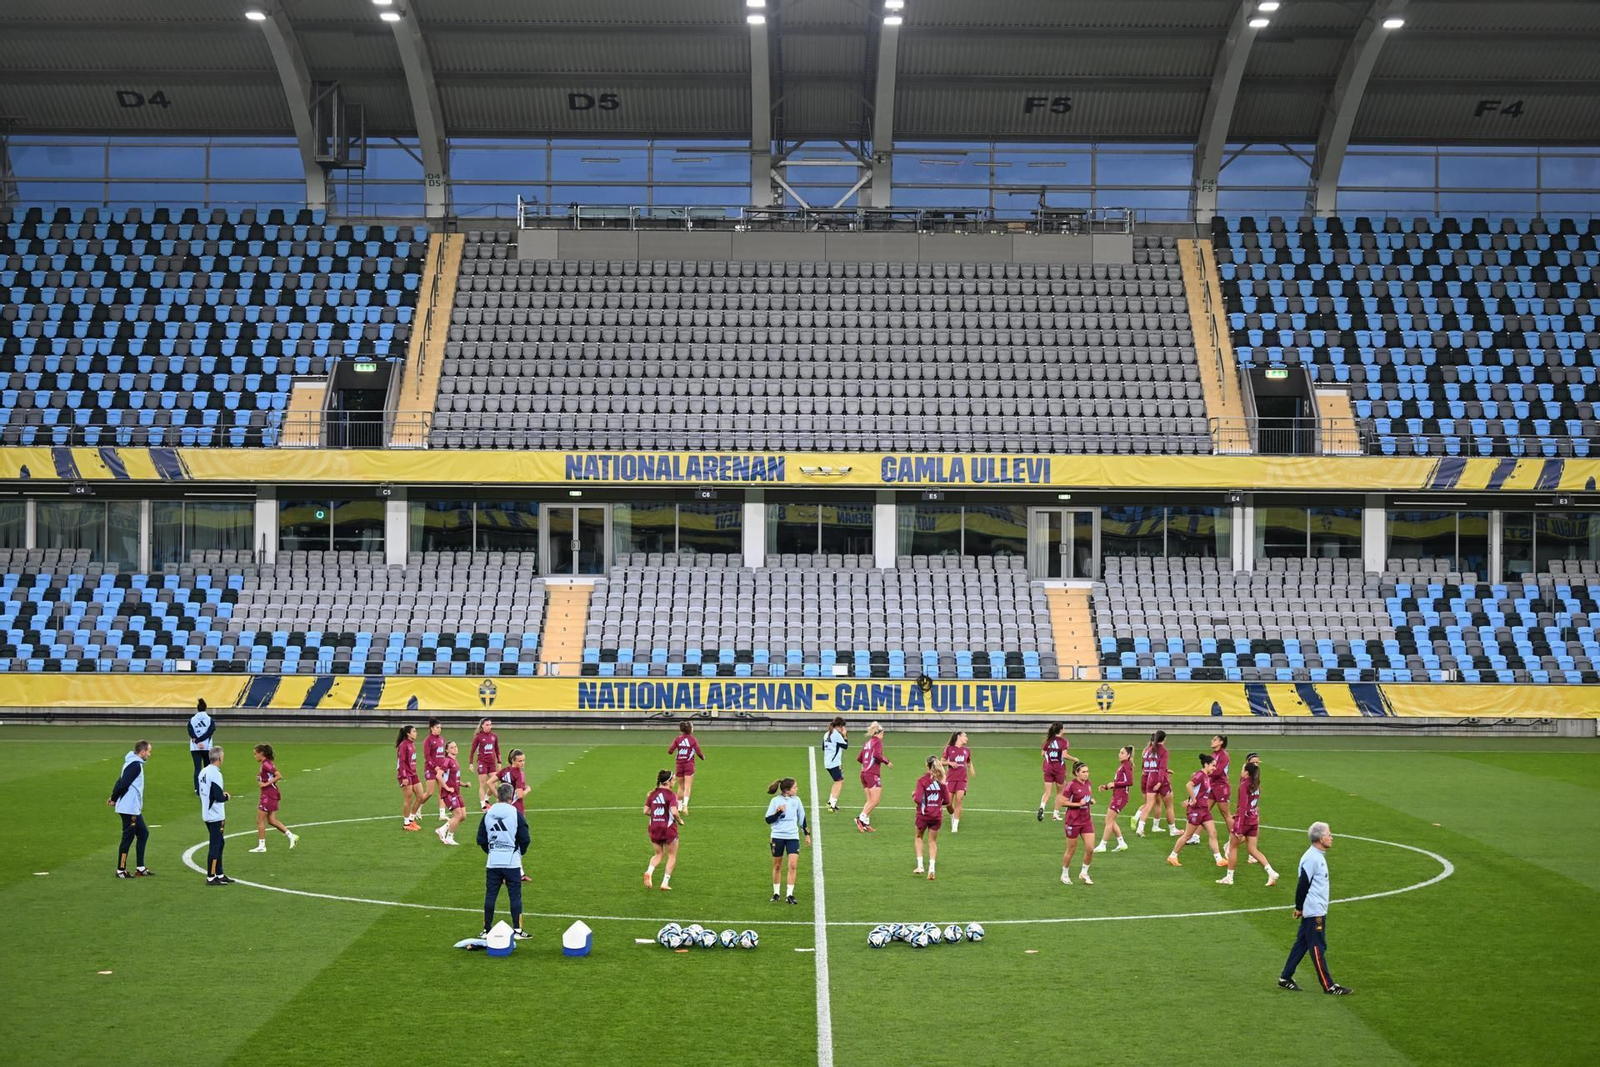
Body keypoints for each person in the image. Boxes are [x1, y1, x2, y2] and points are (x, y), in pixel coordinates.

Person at [1279, 821, 1351, 994]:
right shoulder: (1312, 858)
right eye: (1329, 834)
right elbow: (1302, 884)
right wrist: (1299, 906)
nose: (1332, 838)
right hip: (1314, 911)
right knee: (1318, 946)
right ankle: (1329, 985)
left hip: (1314, 908)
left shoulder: (1317, 856)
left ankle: (1285, 977)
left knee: (1302, 944)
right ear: (1320, 838)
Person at [477, 782, 531, 940]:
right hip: (512, 861)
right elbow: (525, 838)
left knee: (490, 895)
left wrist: (492, 850)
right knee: (515, 896)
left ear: (497, 795)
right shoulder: (515, 813)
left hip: (493, 861)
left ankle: (487, 929)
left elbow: (481, 838)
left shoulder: (488, 813)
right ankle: (518, 931)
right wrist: (519, 853)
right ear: (511, 795)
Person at [1217, 761, 1279, 886]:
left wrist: (1238, 827)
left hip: (1244, 821)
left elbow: (1243, 807)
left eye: (1242, 769)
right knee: (1252, 849)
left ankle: (1229, 877)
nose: (1241, 771)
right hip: (1254, 820)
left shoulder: (1244, 786)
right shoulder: (1256, 785)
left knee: (1233, 847)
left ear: (1246, 772)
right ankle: (1271, 872)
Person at [1166, 754, 1223, 867]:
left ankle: (1219, 859)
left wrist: (1189, 800)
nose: (1214, 768)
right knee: (1187, 835)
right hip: (1196, 810)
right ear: (1206, 764)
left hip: (1204, 810)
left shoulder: (1206, 776)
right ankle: (1173, 856)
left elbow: (1198, 791)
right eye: (1213, 765)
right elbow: (1189, 785)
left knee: (1213, 833)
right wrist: (1193, 800)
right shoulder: (1200, 775)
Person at [108, 739, 154, 878]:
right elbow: (123, 784)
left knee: (143, 834)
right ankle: (121, 869)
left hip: (132, 807)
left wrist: (113, 796)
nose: (149, 754)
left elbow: (120, 780)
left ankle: (140, 867)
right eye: (148, 751)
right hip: (129, 808)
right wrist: (115, 798)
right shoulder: (135, 765)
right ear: (142, 752)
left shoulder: (132, 762)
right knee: (127, 838)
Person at [765, 776, 810, 903]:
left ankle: (789, 894)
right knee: (778, 866)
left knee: (793, 865)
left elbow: (802, 818)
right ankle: (776, 893)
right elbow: (768, 820)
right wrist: (778, 813)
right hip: (777, 836)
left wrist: (807, 835)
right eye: (795, 787)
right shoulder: (775, 801)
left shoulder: (797, 801)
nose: (797, 789)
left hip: (792, 837)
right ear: (787, 790)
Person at [248, 744, 297, 852]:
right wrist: (260, 778)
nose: (255, 756)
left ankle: (262, 846)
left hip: (268, 795)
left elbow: (279, 775)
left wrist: (266, 784)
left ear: (261, 753)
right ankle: (291, 836)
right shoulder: (264, 764)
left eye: (256, 754)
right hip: (270, 794)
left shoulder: (266, 764)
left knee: (259, 820)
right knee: (271, 820)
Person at [912, 756, 954, 880]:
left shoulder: (922, 781)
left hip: (923, 815)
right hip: (937, 816)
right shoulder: (941, 782)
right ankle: (932, 868)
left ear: (927, 766)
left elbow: (918, 799)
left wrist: (914, 795)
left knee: (919, 837)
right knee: (932, 841)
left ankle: (920, 866)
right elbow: (947, 801)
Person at [1055, 760, 1096, 884]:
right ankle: (1064, 874)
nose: (1086, 774)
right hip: (1073, 821)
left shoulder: (1088, 783)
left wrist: (1090, 801)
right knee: (1071, 849)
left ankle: (1084, 872)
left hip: (1086, 821)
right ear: (1076, 773)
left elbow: (1086, 798)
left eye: (1087, 771)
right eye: (1083, 772)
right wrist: (1078, 804)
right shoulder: (1071, 785)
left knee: (1090, 848)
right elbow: (1063, 802)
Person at [197, 746, 233, 885]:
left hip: (207, 812)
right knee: (215, 845)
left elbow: (201, 792)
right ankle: (211, 876)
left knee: (220, 843)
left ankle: (219, 873)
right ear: (219, 758)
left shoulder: (203, 771)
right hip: (216, 815)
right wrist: (226, 797)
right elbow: (218, 796)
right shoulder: (216, 774)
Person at [496, 750, 531, 882]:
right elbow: (520, 795)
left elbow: (490, 782)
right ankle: (509, 873)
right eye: (520, 761)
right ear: (513, 761)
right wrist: (527, 789)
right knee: (520, 841)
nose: (522, 763)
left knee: (510, 841)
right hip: (516, 812)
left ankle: (519, 872)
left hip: (505, 809)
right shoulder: (519, 774)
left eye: (523, 760)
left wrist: (499, 797)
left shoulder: (505, 771)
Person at [643, 769, 681, 891]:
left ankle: (649, 871)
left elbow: (646, 811)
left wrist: (657, 816)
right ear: (668, 782)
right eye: (673, 780)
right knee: (671, 855)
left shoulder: (652, 794)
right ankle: (665, 882)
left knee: (658, 854)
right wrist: (680, 821)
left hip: (654, 826)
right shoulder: (671, 795)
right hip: (668, 828)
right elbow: (674, 812)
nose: (674, 782)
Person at [1133, 729, 1174, 836]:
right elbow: (1161, 767)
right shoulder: (1164, 751)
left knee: (1149, 804)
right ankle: (1172, 829)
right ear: (1164, 739)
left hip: (1149, 778)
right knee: (1169, 806)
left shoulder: (1148, 750)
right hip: (1160, 780)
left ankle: (1140, 828)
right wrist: (1160, 781)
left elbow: (1144, 766)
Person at [1094, 744, 1134, 853]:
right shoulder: (1122, 765)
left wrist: (1115, 784)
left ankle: (1103, 845)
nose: (1119, 754)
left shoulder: (1126, 765)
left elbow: (1130, 782)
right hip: (1117, 795)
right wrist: (1107, 786)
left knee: (1109, 820)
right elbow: (1118, 782)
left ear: (1128, 755)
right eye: (1120, 752)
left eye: (1122, 753)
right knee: (1110, 820)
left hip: (1121, 797)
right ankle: (1121, 843)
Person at [854, 721, 890, 833]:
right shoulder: (878, 742)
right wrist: (886, 761)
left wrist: (866, 764)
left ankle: (866, 823)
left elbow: (859, 758)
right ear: (880, 733)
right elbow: (876, 755)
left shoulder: (867, 743)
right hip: (872, 774)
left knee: (870, 800)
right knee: (875, 800)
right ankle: (861, 818)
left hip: (864, 773)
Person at [668, 722, 706, 813]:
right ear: (690, 729)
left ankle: (679, 807)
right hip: (689, 765)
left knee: (680, 786)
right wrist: (703, 757)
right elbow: (698, 752)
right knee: (687, 786)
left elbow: (670, 751)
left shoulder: (678, 739)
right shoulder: (693, 740)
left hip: (679, 765)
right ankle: (685, 805)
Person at [435, 740, 466, 846]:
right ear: (447, 750)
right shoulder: (446, 761)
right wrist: (447, 787)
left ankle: (442, 829)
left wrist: (464, 784)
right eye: (452, 747)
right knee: (458, 815)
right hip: (449, 794)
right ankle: (449, 838)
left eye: (456, 746)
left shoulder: (455, 761)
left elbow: (454, 779)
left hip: (457, 792)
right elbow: (439, 775)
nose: (455, 748)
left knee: (463, 816)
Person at [1037, 722, 1069, 822]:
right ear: (1061, 730)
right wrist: (1075, 759)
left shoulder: (1049, 741)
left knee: (1047, 793)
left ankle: (1042, 807)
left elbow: (1042, 753)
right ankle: (1055, 813)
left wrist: (1050, 757)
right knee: (1060, 793)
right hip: (1059, 770)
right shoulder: (1064, 742)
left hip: (1048, 769)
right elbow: (1064, 755)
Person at [942, 731, 973, 832]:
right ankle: (952, 815)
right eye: (965, 736)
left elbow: (968, 761)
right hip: (950, 779)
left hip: (962, 779)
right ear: (959, 737)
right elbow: (941, 761)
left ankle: (955, 826)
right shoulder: (949, 749)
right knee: (948, 803)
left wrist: (971, 768)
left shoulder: (967, 750)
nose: (967, 738)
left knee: (959, 800)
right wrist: (950, 762)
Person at [1207, 734, 1232, 850]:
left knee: (1225, 814)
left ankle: (1233, 838)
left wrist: (1204, 773)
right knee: (1204, 810)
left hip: (1221, 787)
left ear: (1221, 742)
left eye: (1215, 739)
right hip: (1212, 785)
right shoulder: (1213, 755)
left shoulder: (1224, 756)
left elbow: (1217, 772)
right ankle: (1195, 836)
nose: (1212, 741)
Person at [420, 719, 448, 821]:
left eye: (440, 727)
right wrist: (434, 766)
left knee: (442, 791)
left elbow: (443, 755)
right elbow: (427, 756)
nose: (439, 729)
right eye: (437, 727)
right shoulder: (428, 740)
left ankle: (442, 814)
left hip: (441, 769)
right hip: (431, 769)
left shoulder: (441, 739)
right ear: (431, 728)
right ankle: (418, 807)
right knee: (430, 792)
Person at [396, 725, 423, 831]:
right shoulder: (403, 745)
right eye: (414, 731)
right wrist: (404, 776)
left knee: (420, 796)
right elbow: (401, 762)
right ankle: (406, 823)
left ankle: (411, 819)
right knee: (408, 798)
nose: (416, 733)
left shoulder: (411, 744)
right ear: (408, 733)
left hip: (413, 773)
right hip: (405, 775)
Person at [469, 717, 500, 810]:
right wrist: (471, 763)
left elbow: (497, 749)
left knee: (494, 784)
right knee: (482, 784)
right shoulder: (478, 737)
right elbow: (472, 751)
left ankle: (486, 798)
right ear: (482, 726)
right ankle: (483, 805)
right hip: (482, 762)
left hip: (492, 763)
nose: (489, 726)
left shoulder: (494, 736)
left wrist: (499, 761)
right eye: (487, 725)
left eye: (490, 724)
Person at [187, 698, 215, 796]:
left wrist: (197, 740)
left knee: (197, 768)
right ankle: (206, 787)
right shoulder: (209, 719)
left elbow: (190, 731)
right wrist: (202, 740)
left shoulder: (192, 719)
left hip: (195, 747)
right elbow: (210, 731)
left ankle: (197, 789)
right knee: (207, 767)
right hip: (207, 746)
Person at [821, 717, 849, 813]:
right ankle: (832, 805)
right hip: (833, 763)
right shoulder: (836, 735)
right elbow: (845, 746)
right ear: (840, 726)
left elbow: (823, 747)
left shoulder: (826, 734)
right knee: (839, 782)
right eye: (843, 727)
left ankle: (830, 802)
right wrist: (845, 736)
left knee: (837, 781)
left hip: (828, 762)